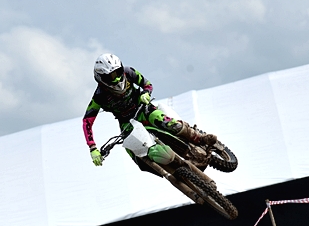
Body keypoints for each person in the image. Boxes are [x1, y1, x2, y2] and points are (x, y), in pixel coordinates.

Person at [83, 53, 217, 167]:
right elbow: (87, 122)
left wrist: (146, 93)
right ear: (101, 78)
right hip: (126, 122)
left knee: (167, 122)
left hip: (143, 108)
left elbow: (147, 84)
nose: (117, 78)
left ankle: (200, 138)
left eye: (117, 73)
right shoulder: (99, 97)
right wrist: (93, 148)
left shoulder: (129, 72)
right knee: (136, 153)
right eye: (110, 76)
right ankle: (168, 168)